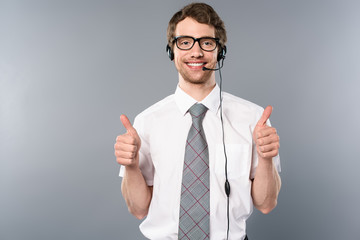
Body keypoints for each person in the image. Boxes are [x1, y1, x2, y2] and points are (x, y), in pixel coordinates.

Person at [114, 3, 281, 240]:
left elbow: (265, 204)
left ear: (219, 51)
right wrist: (130, 166)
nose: (196, 52)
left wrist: (266, 158)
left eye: (207, 42)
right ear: (172, 50)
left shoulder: (254, 120)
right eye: (185, 42)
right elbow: (138, 209)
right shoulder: (146, 122)